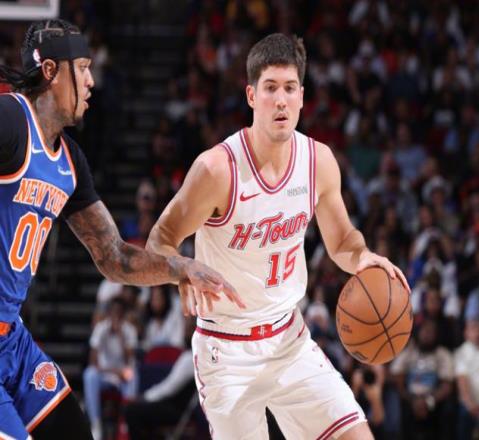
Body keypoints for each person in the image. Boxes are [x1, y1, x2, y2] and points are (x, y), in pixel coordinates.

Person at [147, 33, 409, 440]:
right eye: (270, 88)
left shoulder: (318, 161)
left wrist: (362, 258)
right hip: (226, 352)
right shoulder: (217, 169)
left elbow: (342, 241)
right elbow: (160, 239)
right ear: (252, 96)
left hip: (289, 339)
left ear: (302, 96)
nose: (281, 100)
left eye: (289, 88)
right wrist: (179, 268)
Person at [0, 19, 244, 440]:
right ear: (52, 72)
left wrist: (180, 268)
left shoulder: (69, 161)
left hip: (12, 341)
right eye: (83, 68)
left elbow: (113, 256)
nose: (92, 81)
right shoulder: (9, 118)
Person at [83, 297, 139, 440]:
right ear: (109, 313)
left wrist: (121, 336)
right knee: (89, 374)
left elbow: (130, 360)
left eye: (119, 312)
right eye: (113, 312)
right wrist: (111, 371)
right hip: (105, 375)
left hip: (122, 376)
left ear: (123, 314)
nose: (116, 315)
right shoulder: (101, 328)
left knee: (132, 375)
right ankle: (95, 423)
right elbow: (92, 361)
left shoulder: (130, 330)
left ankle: (125, 424)